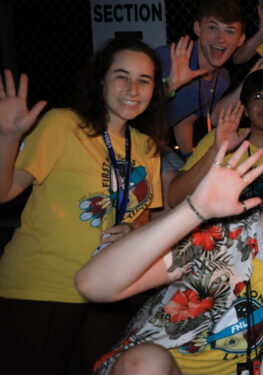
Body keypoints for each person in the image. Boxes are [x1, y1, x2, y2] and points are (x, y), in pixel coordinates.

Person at [78, 142, 263, 375]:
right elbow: (93, 285)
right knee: (144, 364)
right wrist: (196, 209)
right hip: (160, 367)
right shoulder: (216, 239)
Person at [0, 38, 166, 374]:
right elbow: (4, 192)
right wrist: (6, 137)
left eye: (144, 80)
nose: (132, 89)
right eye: (122, 76)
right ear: (101, 80)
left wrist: (134, 228)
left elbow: (145, 212)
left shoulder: (147, 146)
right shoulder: (62, 124)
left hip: (109, 290)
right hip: (42, 286)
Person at [167, 69, 263, 207]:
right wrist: (216, 150)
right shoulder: (221, 138)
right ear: (245, 109)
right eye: (257, 97)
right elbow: (175, 198)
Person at [155, 0, 247, 158]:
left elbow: (185, 119)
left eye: (230, 31)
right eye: (212, 28)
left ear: (240, 39)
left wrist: (188, 156)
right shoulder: (167, 58)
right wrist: (170, 84)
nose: (221, 39)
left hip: (154, 143)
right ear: (198, 28)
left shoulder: (222, 79)